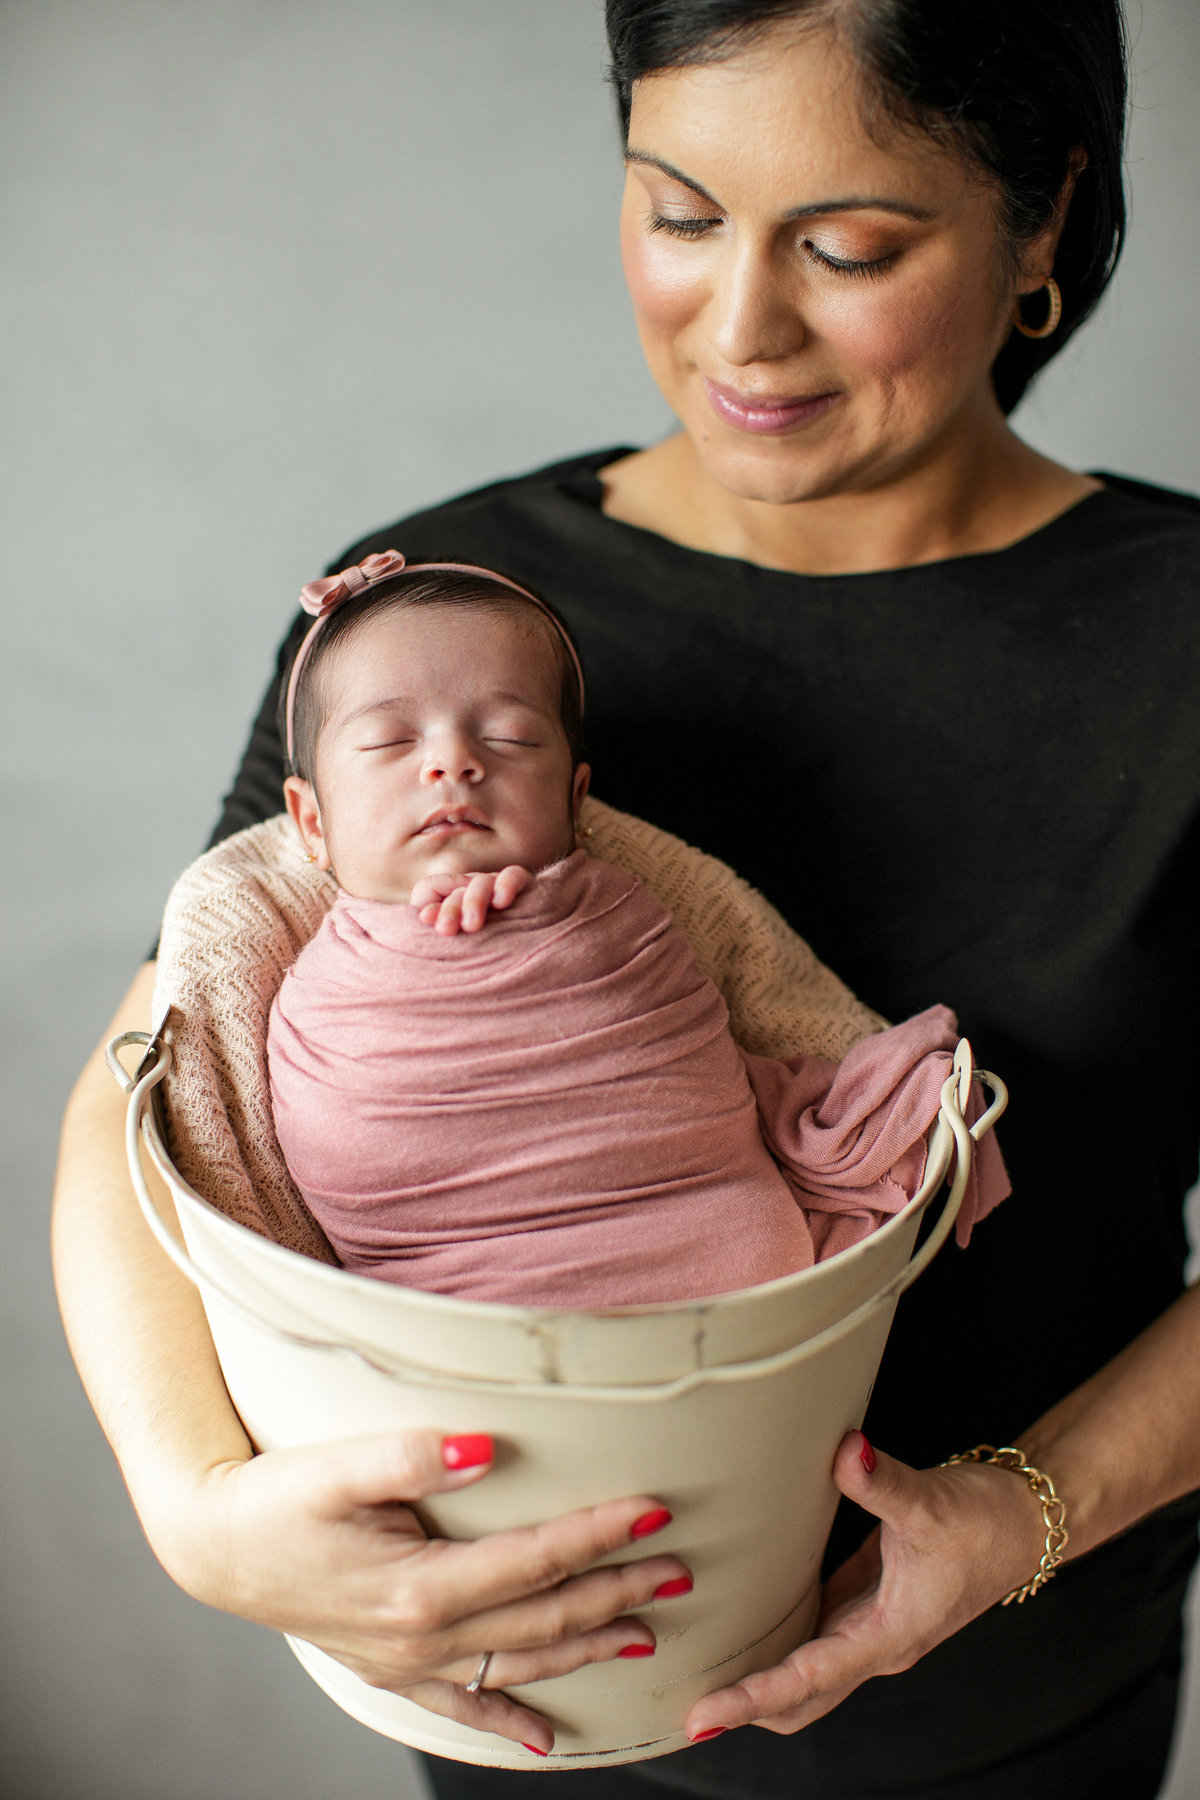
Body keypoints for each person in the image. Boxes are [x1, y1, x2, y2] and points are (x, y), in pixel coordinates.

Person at [52, 1, 1200, 1796]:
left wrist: (1023, 1512)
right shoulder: (449, 635)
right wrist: (197, 1508)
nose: (739, 327)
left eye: (846, 247)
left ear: (1044, 215)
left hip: (1027, 1701)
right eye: (679, 214)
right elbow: (146, 1088)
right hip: (520, 1701)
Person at [265, 557, 1004, 1303]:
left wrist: (541, 919)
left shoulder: (619, 911)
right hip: (445, 1300)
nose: (453, 761)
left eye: (509, 737)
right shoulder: (295, 968)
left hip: (721, 1274)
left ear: (575, 800)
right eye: (390, 741)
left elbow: (684, 1069)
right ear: (312, 823)